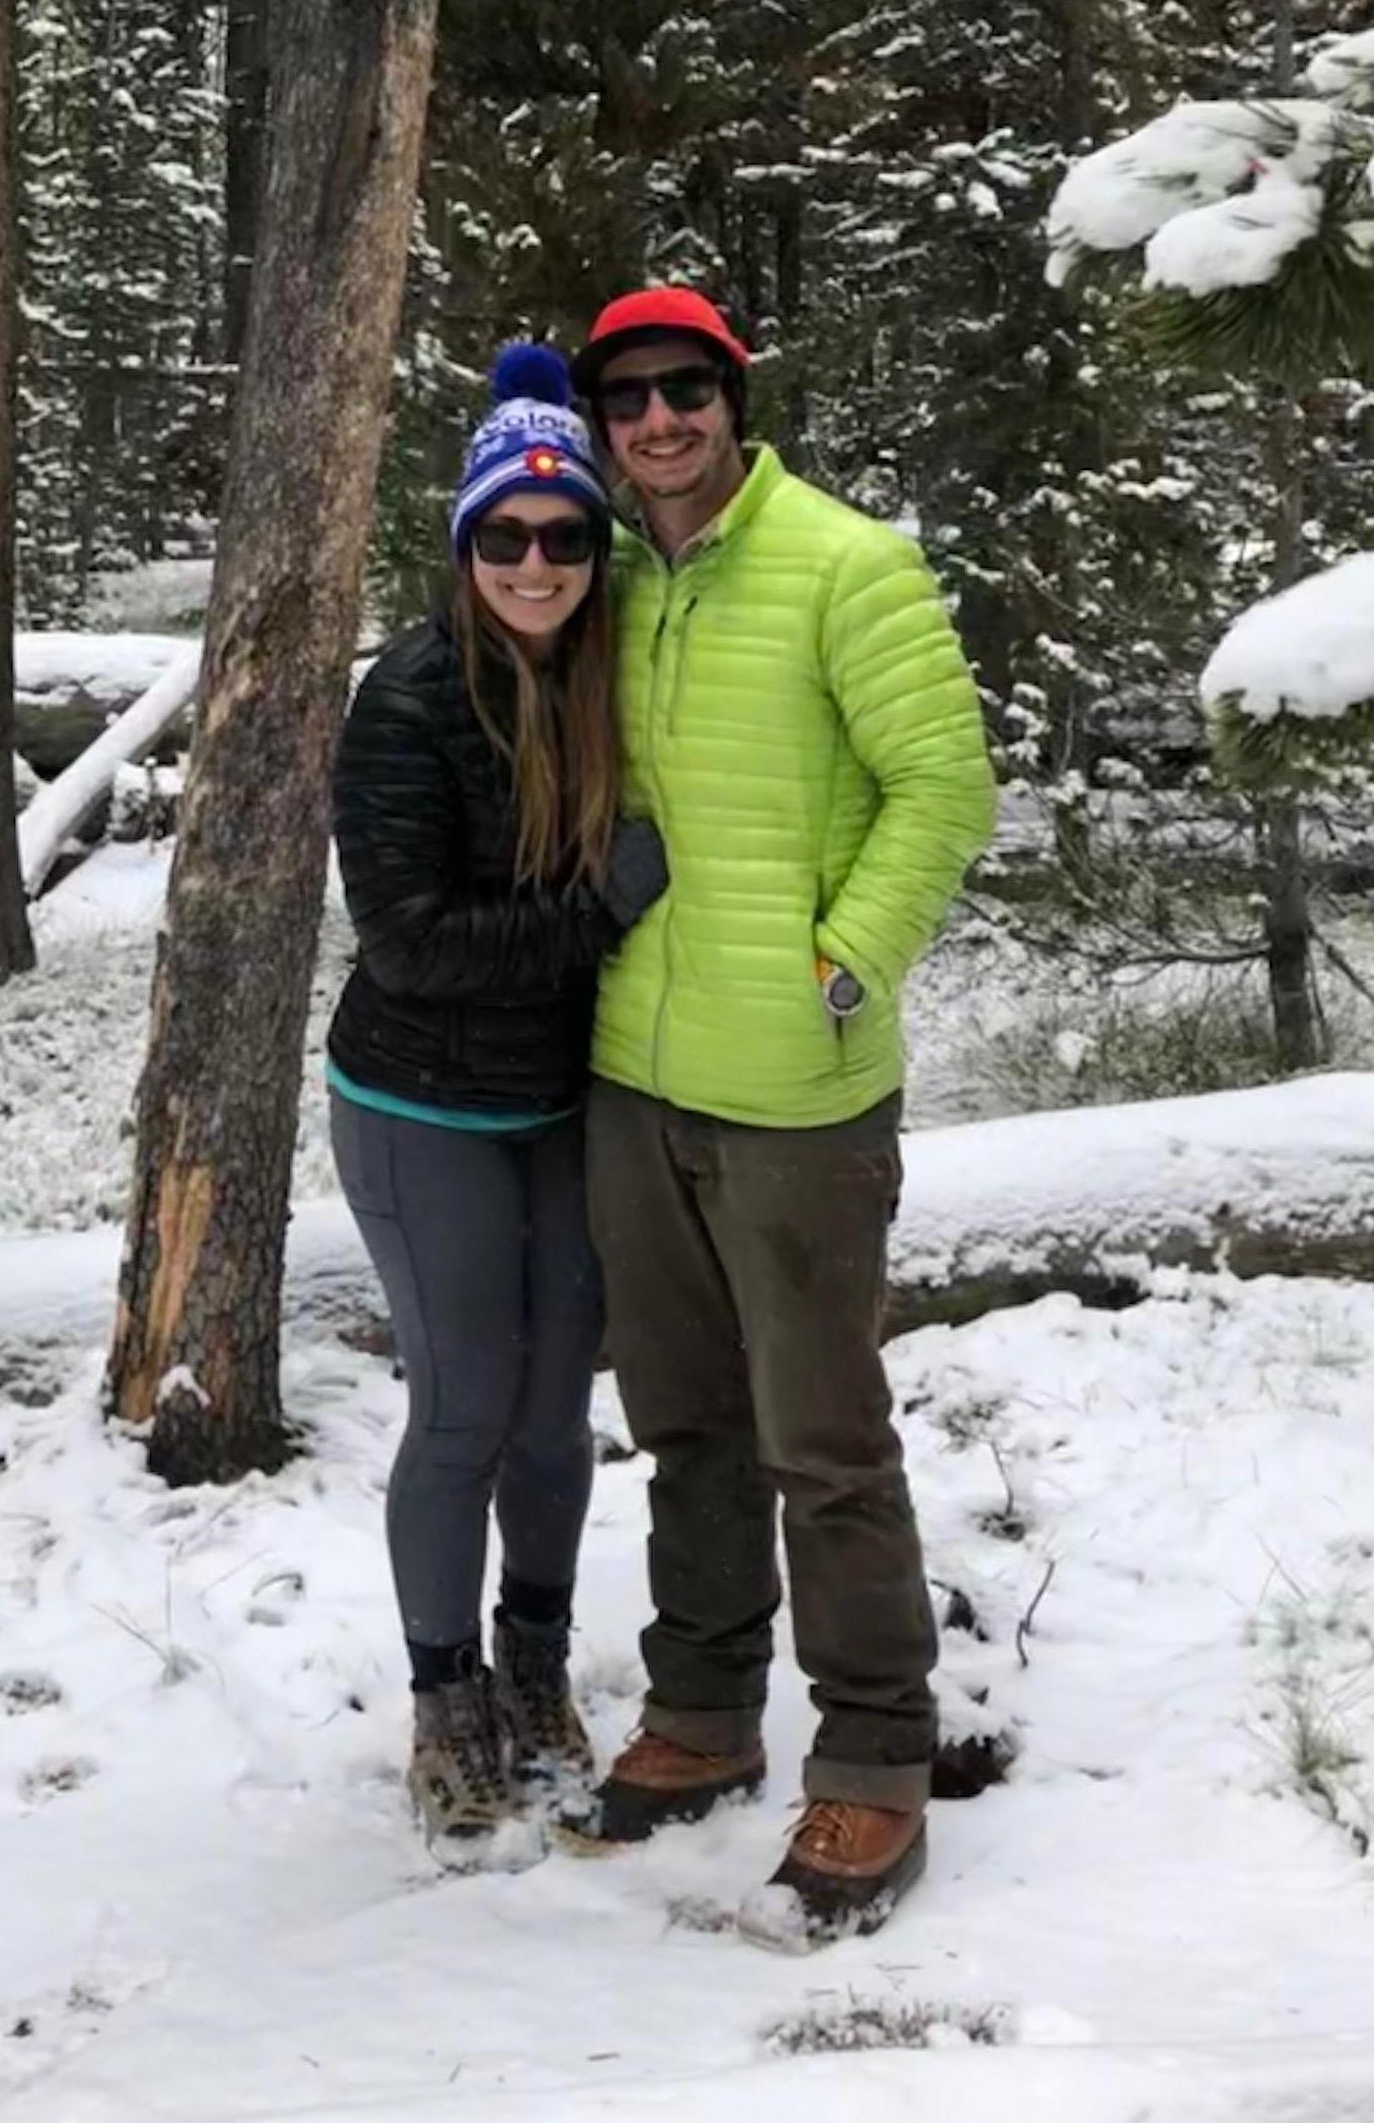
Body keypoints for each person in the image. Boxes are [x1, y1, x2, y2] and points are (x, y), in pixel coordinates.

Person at [555, 286, 996, 1948]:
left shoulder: (842, 561)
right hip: (634, 1075)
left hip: (800, 1095)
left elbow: (944, 784)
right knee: (683, 1424)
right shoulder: (612, 580)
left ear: (732, 401)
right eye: (629, 399)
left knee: (821, 1438)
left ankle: (876, 1748)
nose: (658, 421)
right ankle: (706, 1707)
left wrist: (845, 963)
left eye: (685, 390)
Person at [326, 341, 672, 1864]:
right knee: (463, 1402)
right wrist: (599, 914)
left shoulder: (601, 676)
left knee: (553, 1414)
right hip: (421, 1104)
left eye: (565, 534)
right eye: (504, 534)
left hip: (557, 1100)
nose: (535, 561)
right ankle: (442, 1690)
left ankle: (534, 1664)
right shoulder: (406, 699)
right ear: (462, 543)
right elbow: (407, 940)